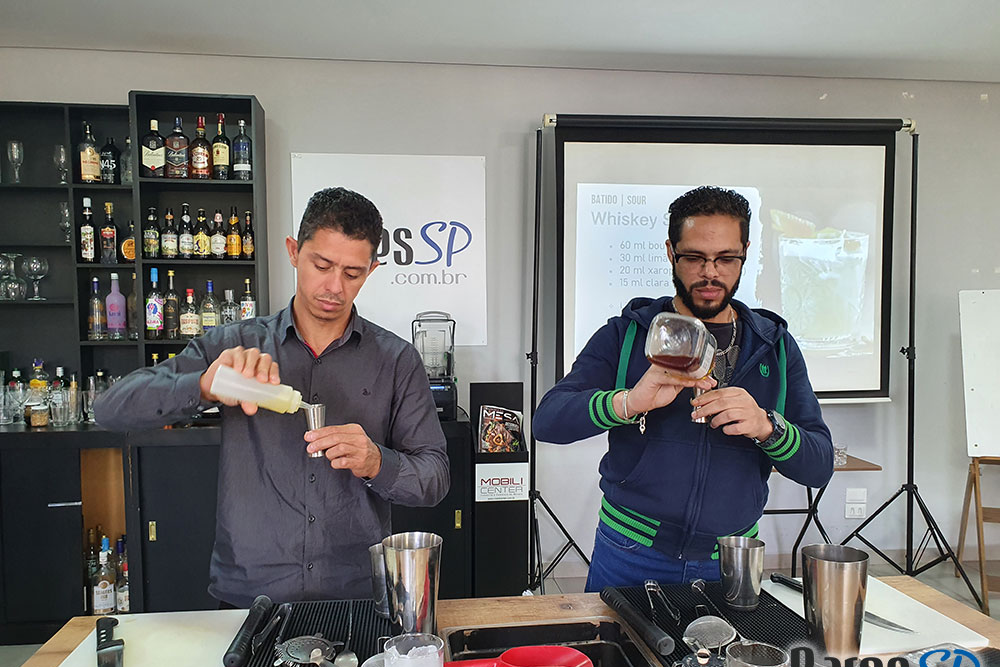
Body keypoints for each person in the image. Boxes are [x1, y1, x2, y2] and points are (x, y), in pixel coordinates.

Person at [95, 187, 450, 608]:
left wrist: (377, 461)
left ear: (371, 270)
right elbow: (110, 409)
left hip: (355, 595)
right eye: (322, 265)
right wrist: (203, 385)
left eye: (352, 274)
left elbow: (434, 477)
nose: (334, 287)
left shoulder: (396, 359)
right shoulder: (235, 345)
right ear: (294, 252)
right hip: (250, 595)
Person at [533, 186, 833, 591]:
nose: (711, 273)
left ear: (745, 253)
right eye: (694, 257)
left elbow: (819, 465)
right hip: (628, 553)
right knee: (614, 638)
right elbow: (547, 421)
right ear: (671, 252)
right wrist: (628, 402)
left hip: (731, 560)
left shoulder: (775, 346)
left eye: (726, 258)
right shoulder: (626, 334)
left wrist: (767, 427)